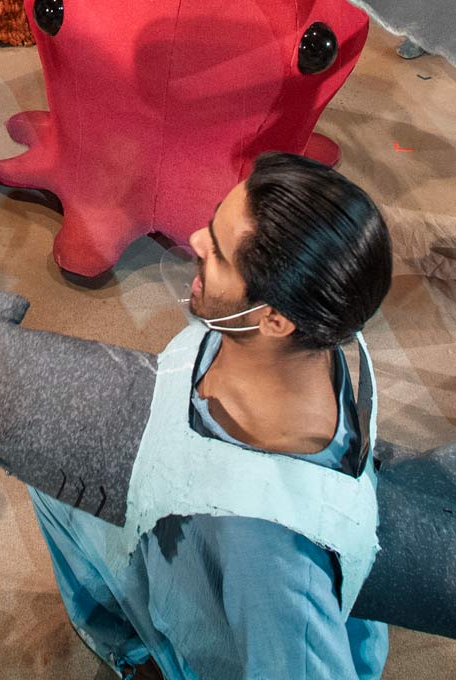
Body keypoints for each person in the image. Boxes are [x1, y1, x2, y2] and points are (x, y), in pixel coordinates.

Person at [29, 152, 392, 679]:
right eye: (215, 219)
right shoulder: (310, 334)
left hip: (212, 616)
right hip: (179, 550)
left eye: (219, 254)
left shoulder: (275, 563)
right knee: (48, 467)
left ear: (273, 319)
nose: (197, 241)